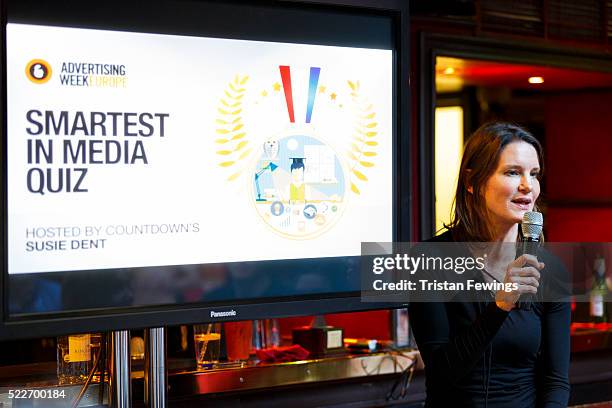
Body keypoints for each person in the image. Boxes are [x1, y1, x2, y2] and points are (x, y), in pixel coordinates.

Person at [409, 122, 570, 407]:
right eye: (512, 172)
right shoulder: (429, 259)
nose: (527, 186)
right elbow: (441, 374)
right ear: (472, 182)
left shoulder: (549, 270)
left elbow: (555, 381)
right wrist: (500, 306)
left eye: (534, 174)